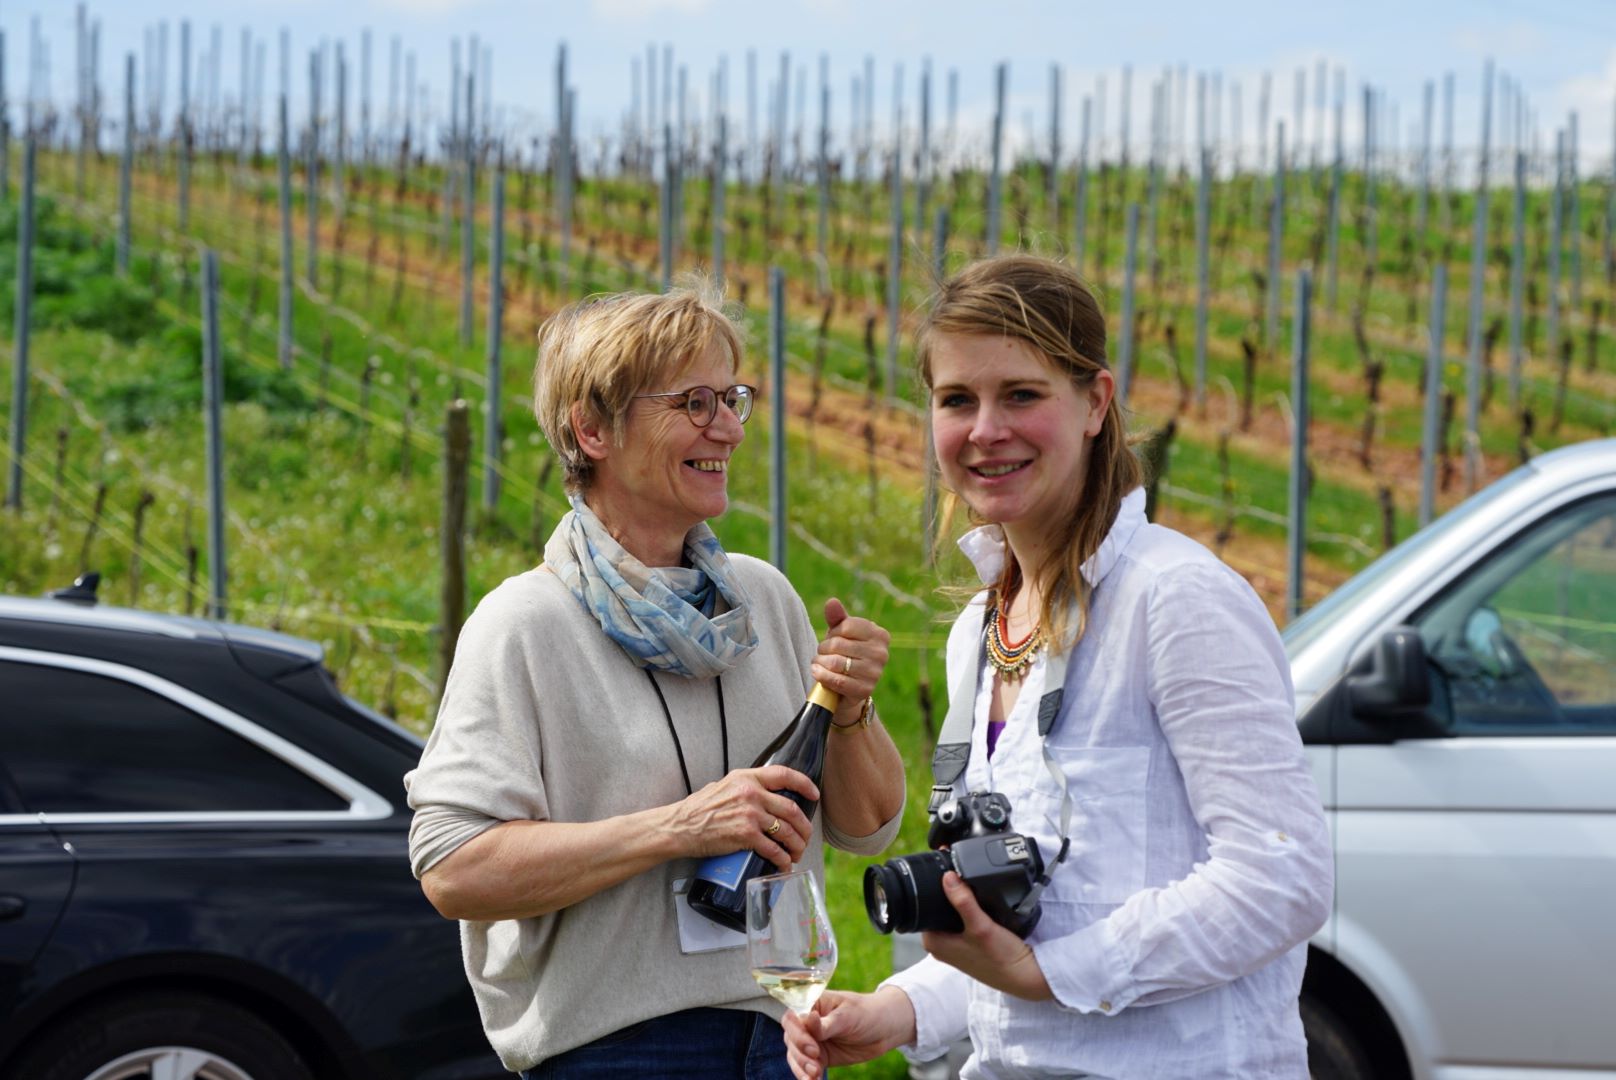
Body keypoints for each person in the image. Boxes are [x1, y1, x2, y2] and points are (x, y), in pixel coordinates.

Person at [783, 254, 1331, 1080]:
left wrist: (1050, 979)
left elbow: (1279, 875)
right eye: (956, 399)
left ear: (1095, 404)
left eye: (1023, 395)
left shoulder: (1175, 600)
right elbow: (1023, 922)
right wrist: (896, 1011)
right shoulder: (980, 630)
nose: (985, 429)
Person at [405, 285, 905, 1079]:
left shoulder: (764, 600)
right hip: (617, 1057)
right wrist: (678, 829)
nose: (731, 429)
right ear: (592, 428)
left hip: (781, 1043)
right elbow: (454, 868)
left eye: (734, 398)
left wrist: (852, 711)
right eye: (695, 403)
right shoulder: (525, 625)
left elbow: (869, 827)